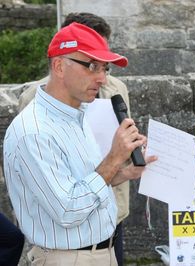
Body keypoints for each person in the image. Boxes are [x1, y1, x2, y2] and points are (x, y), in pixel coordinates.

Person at [3, 22, 156, 265]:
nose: (103, 78)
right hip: (68, 258)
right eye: (92, 66)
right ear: (60, 66)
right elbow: (68, 210)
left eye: (105, 68)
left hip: (99, 253)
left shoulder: (76, 114)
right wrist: (114, 157)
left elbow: (84, 182)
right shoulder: (33, 131)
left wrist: (126, 172)